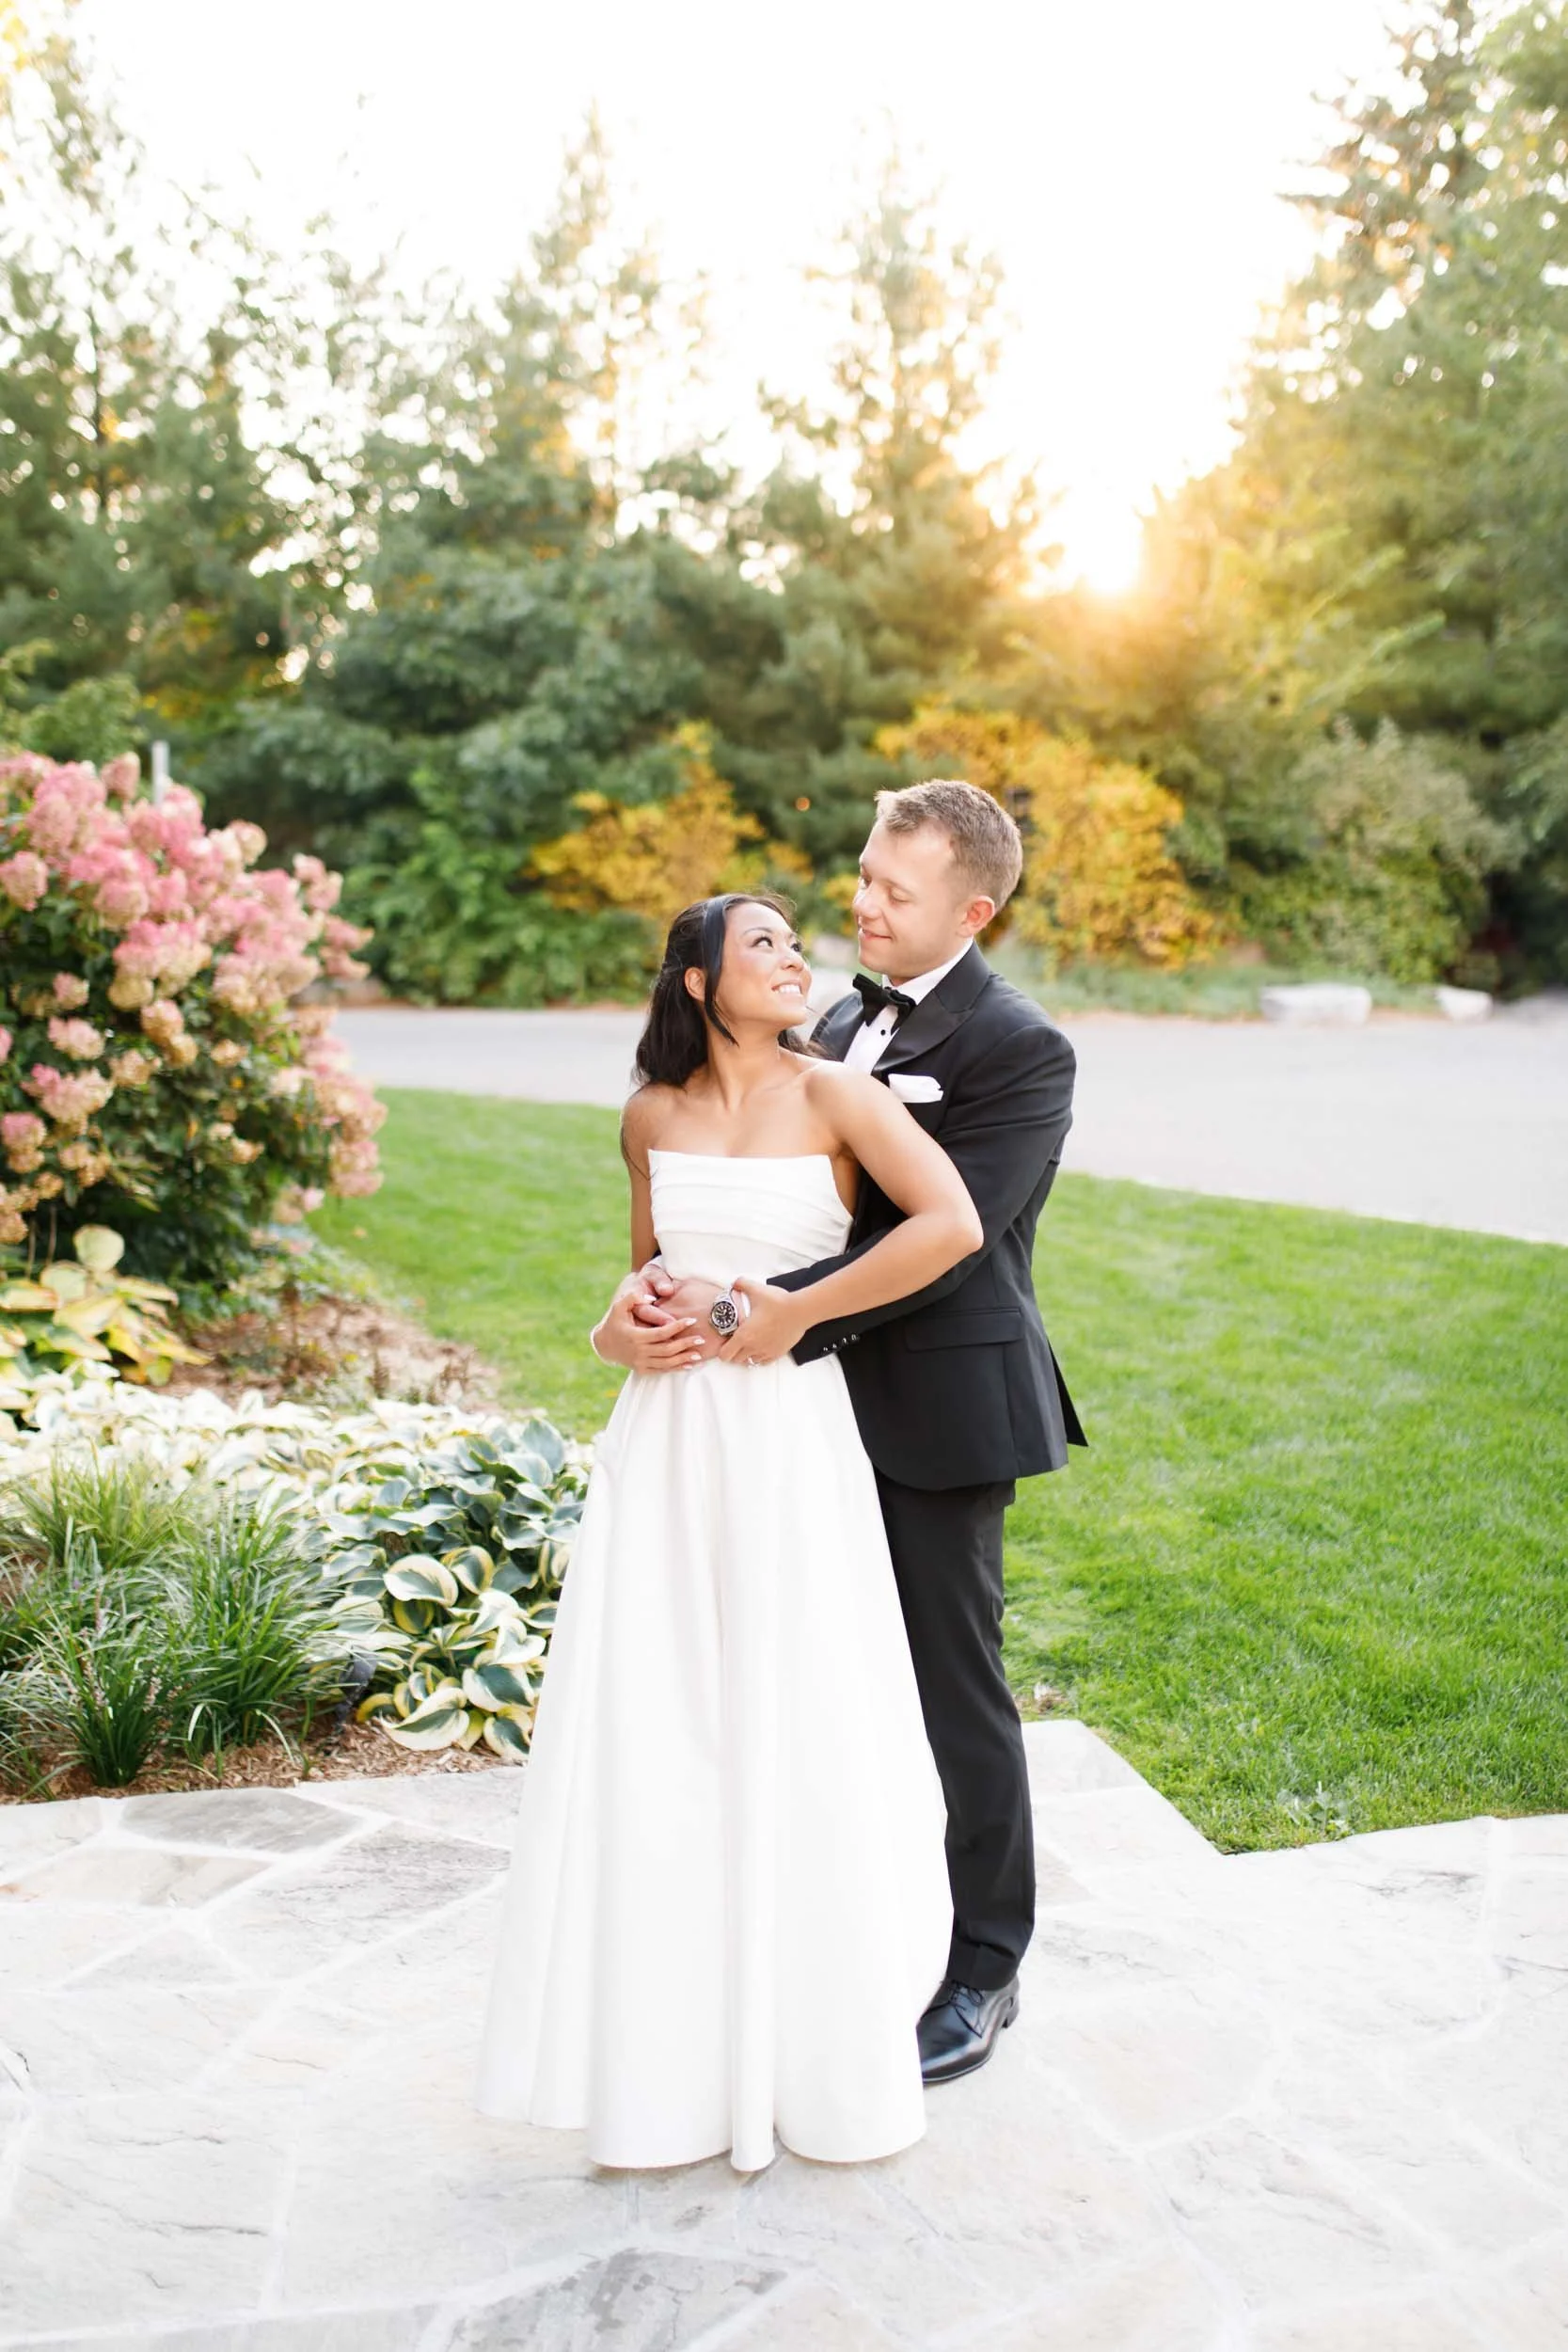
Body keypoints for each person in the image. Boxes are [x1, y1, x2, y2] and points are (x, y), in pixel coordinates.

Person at [477, 890, 985, 2174]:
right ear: (698, 982)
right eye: (761, 943)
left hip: (784, 1437)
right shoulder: (649, 1115)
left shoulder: (836, 1099)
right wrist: (615, 1331)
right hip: (664, 1448)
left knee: (795, 1709)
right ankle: (673, 2066)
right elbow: (644, 1274)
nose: (791, 956)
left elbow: (950, 1226)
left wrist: (784, 1312)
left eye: (791, 942)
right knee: (667, 1723)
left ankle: (810, 2050)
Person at [600, 781, 1083, 2087]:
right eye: (863, 874)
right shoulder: (821, 1019)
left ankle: (984, 1963)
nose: (860, 902)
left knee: (952, 1692)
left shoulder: (1021, 1050)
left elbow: (939, 1247)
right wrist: (669, 1300)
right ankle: (821, 1932)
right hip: (779, 1418)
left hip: (932, 1405)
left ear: (970, 911)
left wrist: (773, 1317)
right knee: (799, 1677)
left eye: (894, 891)